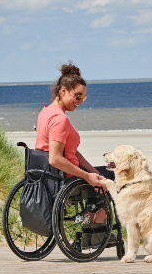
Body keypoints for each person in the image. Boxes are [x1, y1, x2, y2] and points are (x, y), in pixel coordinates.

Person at [36, 62, 111, 191]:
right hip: (65, 178)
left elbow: (72, 152)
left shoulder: (45, 112)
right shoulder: (59, 119)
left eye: (83, 97)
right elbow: (55, 159)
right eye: (78, 96)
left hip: (50, 175)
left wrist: (95, 173)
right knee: (112, 175)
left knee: (103, 174)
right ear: (64, 91)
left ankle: (95, 209)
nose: (81, 101)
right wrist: (87, 176)